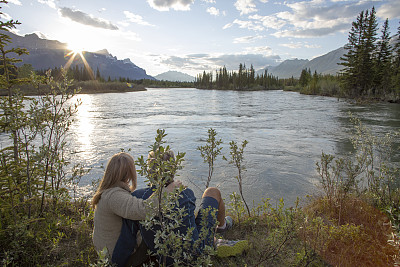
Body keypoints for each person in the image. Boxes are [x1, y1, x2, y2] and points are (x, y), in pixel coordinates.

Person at [112, 150, 233, 266]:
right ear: (173, 169)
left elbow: (126, 240)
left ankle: (218, 234)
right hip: (197, 255)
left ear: (149, 171)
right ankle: (222, 226)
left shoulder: (137, 198)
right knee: (212, 192)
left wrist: (115, 264)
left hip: (165, 260)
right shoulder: (186, 193)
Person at [92, 152, 181, 258]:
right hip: (115, 255)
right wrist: (167, 191)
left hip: (108, 248)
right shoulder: (114, 196)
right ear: (128, 173)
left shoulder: (109, 191)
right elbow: (144, 210)